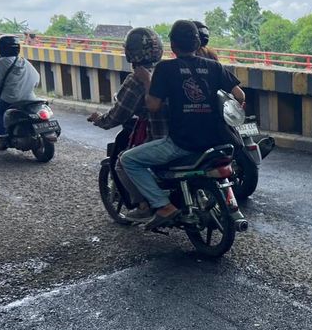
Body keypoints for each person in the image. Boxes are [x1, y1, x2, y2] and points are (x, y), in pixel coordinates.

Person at [120, 19, 245, 230]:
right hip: (216, 139)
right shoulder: (214, 66)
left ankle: (163, 205)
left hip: (182, 143)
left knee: (128, 159)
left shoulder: (165, 69)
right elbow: (240, 96)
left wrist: (147, 80)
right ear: (197, 44)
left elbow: (153, 106)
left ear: (172, 46)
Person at [87, 27, 167, 222]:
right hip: (183, 133)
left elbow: (118, 114)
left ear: (130, 52)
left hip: (158, 134)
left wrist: (100, 120)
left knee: (124, 162)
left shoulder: (137, 79)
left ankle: (144, 205)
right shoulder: (167, 70)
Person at [0, 35, 40, 145]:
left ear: (1, 48)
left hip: (11, 99)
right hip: (30, 98)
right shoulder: (24, 61)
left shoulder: (2, 62)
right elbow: (36, 78)